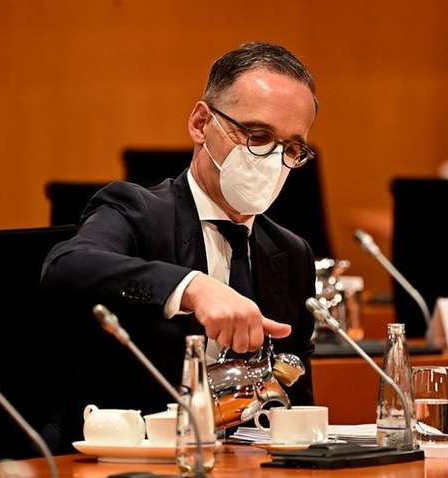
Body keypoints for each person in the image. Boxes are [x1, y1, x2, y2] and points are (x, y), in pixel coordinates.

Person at [41, 42, 319, 448]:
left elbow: (295, 411)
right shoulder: (136, 210)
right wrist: (191, 286)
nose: (273, 160)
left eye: (292, 149)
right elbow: (66, 266)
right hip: (128, 464)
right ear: (201, 122)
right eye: (258, 136)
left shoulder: (291, 254)